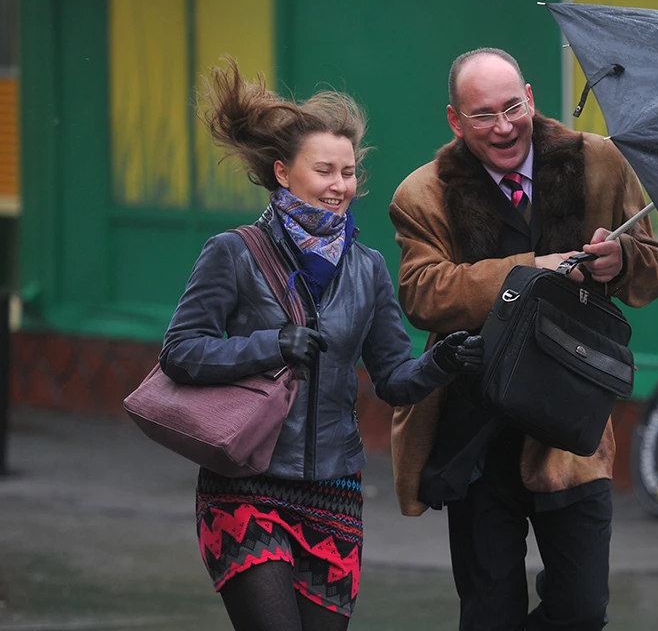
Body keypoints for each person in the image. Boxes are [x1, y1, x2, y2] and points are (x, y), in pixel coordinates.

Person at [159, 57, 483, 631]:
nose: (340, 187)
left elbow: (393, 379)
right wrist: (271, 345)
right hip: (244, 487)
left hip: (334, 494)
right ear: (283, 174)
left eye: (349, 172)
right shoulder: (233, 253)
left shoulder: (368, 267)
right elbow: (181, 352)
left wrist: (442, 361)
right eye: (325, 171)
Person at [388, 48, 658, 630]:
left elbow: (655, 271)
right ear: (455, 120)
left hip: (572, 427)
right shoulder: (421, 194)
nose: (503, 126)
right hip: (477, 425)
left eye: (512, 106)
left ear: (531, 97)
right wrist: (529, 271)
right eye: (483, 115)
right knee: (489, 614)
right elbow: (422, 294)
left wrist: (618, 261)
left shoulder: (600, 162)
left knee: (582, 610)